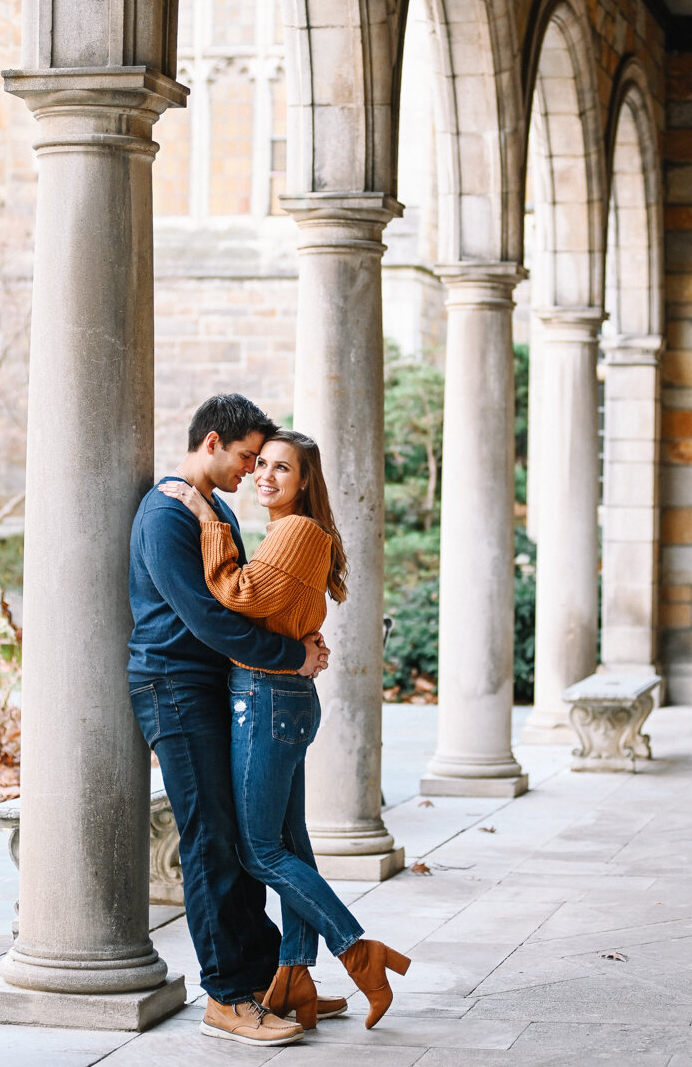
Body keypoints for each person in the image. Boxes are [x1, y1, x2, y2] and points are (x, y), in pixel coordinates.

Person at [160, 427, 410, 1033]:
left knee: (260, 850)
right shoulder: (291, 532)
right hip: (282, 698)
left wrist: (205, 518)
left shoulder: (296, 531)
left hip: (267, 698)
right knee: (290, 845)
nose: (266, 476)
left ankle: (356, 948)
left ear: (305, 482)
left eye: (282, 469)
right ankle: (295, 972)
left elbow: (236, 591)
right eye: (262, 464)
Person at [127, 394, 333, 1047]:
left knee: (240, 837)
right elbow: (210, 617)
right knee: (211, 840)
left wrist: (299, 644)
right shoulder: (167, 512)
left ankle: (268, 980)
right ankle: (225, 997)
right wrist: (291, 655)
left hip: (208, 686)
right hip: (172, 688)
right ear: (212, 443)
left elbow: (239, 608)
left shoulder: (209, 507)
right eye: (248, 457)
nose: (253, 472)